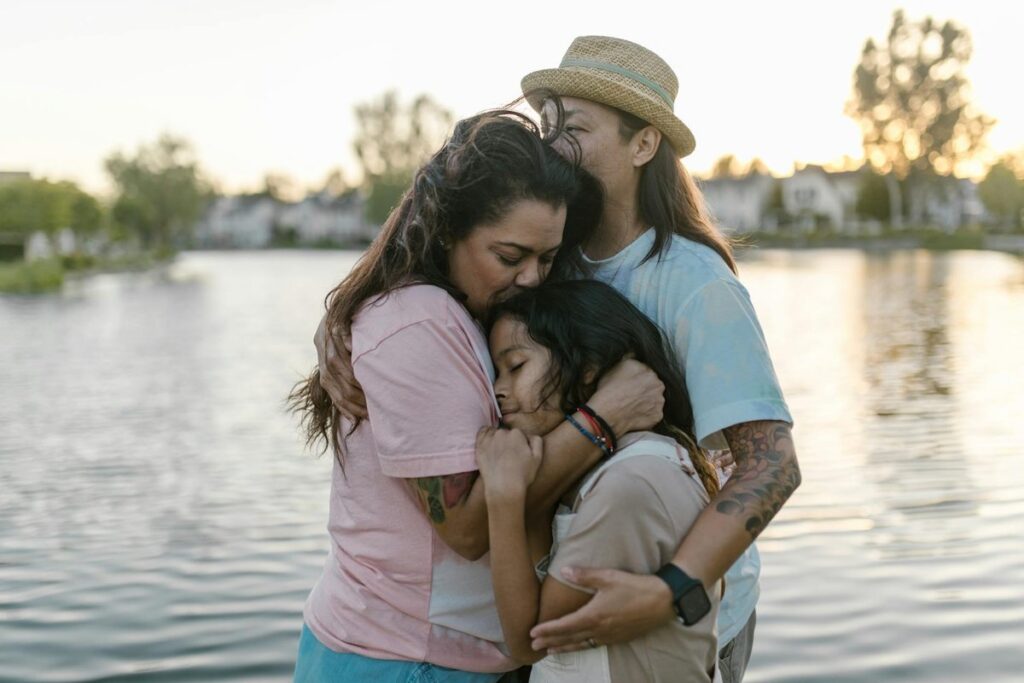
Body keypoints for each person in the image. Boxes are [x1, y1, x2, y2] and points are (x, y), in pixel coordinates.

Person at [318, 35, 802, 683]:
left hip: (681, 614)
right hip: (558, 600)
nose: (555, 146)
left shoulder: (693, 281)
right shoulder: (552, 260)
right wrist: (347, 321)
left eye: (574, 129)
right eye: (548, 127)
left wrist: (671, 588)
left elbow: (772, 465)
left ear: (643, 144)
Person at [289, 108, 665, 682]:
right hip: (402, 659)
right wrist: (603, 419)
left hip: (438, 654)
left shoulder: (472, 309)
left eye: (547, 258)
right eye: (510, 257)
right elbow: (465, 529)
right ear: (447, 232)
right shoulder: (418, 321)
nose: (533, 278)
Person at [477, 279, 726, 682]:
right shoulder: (603, 470)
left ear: (588, 368)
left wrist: (503, 495)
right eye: (496, 373)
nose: (498, 390)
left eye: (516, 366)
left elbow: (530, 641)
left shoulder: (631, 482)